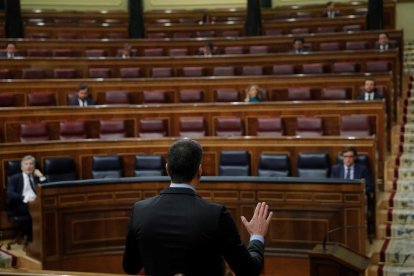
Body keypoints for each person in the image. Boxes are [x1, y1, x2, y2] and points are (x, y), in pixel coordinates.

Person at [123, 139, 273, 276]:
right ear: (199, 171)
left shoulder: (140, 210)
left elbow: (130, 267)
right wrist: (257, 236)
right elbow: (249, 271)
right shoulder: (215, 214)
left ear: (167, 169)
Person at [6, 155, 47, 242]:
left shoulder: (36, 178)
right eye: (26, 164)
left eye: (31, 164)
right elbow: (9, 193)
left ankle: (42, 239)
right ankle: (32, 241)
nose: (29, 166)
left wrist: (41, 176)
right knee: (35, 210)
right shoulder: (15, 178)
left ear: (34, 167)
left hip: (37, 203)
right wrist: (24, 198)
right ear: (22, 167)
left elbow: (47, 189)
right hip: (21, 204)